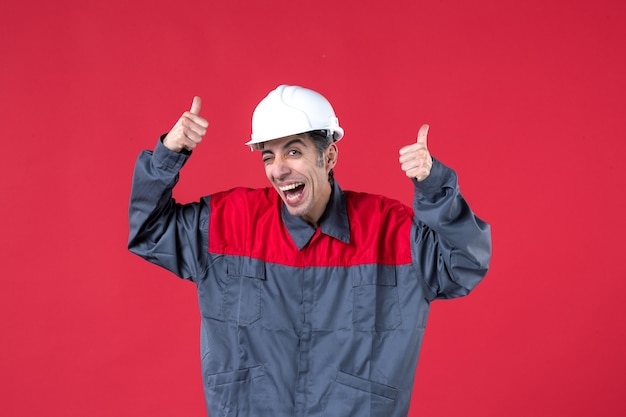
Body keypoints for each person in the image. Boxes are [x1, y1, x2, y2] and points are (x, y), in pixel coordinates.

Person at [128, 84, 491, 417]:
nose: (280, 169)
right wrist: (169, 154)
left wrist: (435, 188)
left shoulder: (390, 230)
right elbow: (148, 230)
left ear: (329, 157)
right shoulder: (227, 223)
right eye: (268, 156)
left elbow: (464, 264)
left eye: (294, 151)